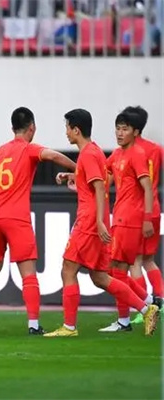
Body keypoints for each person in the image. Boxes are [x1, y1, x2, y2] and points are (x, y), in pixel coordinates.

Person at [44, 109, 159, 337]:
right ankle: (147, 309)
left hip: (89, 221)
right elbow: (98, 180)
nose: (66, 132)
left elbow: (99, 187)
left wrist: (98, 221)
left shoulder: (89, 154)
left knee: (68, 269)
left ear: (76, 130)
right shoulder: (95, 151)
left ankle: (69, 327)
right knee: (101, 277)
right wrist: (72, 176)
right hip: (98, 219)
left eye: (67, 128)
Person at [0, 107, 77, 335]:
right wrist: (78, 168)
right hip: (17, 218)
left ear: (12, 128)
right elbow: (54, 156)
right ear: (32, 127)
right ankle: (33, 324)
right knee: (28, 273)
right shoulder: (29, 149)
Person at [98, 110, 162, 332]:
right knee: (116, 269)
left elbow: (147, 187)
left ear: (135, 132)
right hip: (120, 217)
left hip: (131, 219)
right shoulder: (117, 154)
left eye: (124, 129)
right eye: (117, 128)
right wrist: (74, 177)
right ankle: (147, 303)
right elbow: (101, 176)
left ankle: (129, 318)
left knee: (118, 270)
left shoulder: (137, 154)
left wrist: (147, 218)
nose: (119, 133)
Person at [121, 106, 163, 325]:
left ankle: (144, 308)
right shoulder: (156, 149)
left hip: (139, 212)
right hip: (155, 209)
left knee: (134, 262)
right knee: (149, 260)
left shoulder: (131, 152)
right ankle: (160, 300)